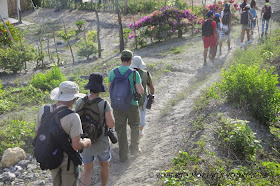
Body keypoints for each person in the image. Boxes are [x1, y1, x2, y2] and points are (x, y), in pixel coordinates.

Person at [35, 81, 91, 186]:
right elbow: (76, 146)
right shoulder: (73, 117)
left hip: (50, 155)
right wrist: (86, 142)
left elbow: (38, 134)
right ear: (72, 99)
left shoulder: (43, 110)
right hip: (68, 160)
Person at [76, 73, 115, 186]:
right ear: (100, 89)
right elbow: (111, 124)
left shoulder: (80, 102)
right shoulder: (103, 104)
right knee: (104, 165)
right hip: (101, 141)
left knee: (87, 169)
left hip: (85, 141)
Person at [108, 50, 144, 162]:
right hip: (132, 105)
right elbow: (140, 91)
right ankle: (134, 149)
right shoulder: (134, 73)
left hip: (117, 106)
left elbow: (110, 89)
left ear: (121, 59)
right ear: (131, 60)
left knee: (120, 129)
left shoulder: (112, 72)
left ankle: (123, 155)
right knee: (134, 126)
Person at [130, 56, 155, 137]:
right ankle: (140, 130)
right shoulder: (146, 74)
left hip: (131, 98)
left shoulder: (129, 73)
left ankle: (134, 130)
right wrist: (152, 96)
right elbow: (151, 86)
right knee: (142, 113)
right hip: (143, 97)